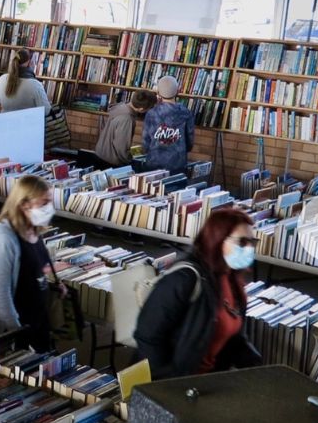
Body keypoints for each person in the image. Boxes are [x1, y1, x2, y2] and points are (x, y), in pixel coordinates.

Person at [135, 208, 262, 379]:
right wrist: (166, 384)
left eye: (252, 243)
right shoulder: (184, 279)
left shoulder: (231, 280)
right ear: (218, 240)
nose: (249, 249)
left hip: (205, 382)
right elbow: (147, 335)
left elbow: (234, 336)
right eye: (242, 242)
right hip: (174, 383)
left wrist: (260, 370)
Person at [0, 174, 58, 353]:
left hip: (37, 324)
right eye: (43, 203)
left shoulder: (34, 228)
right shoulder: (4, 236)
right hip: (13, 330)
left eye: (50, 202)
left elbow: (36, 266)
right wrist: (19, 334)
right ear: (23, 204)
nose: (49, 209)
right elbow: (0, 298)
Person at [142, 75, 196, 175]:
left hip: (153, 163)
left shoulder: (151, 113)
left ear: (158, 93)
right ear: (178, 91)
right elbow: (190, 143)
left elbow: (146, 143)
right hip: (177, 164)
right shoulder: (186, 113)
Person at [96, 90, 157, 167]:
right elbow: (121, 148)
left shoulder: (121, 106)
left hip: (102, 154)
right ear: (141, 109)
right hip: (110, 161)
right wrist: (130, 160)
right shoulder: (127, 119)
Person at [0, 47, 51, 114]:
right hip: (26, 123)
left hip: (4, 123)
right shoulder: (35, 85)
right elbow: (46, 111)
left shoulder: (2, 79)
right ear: (30, 62)